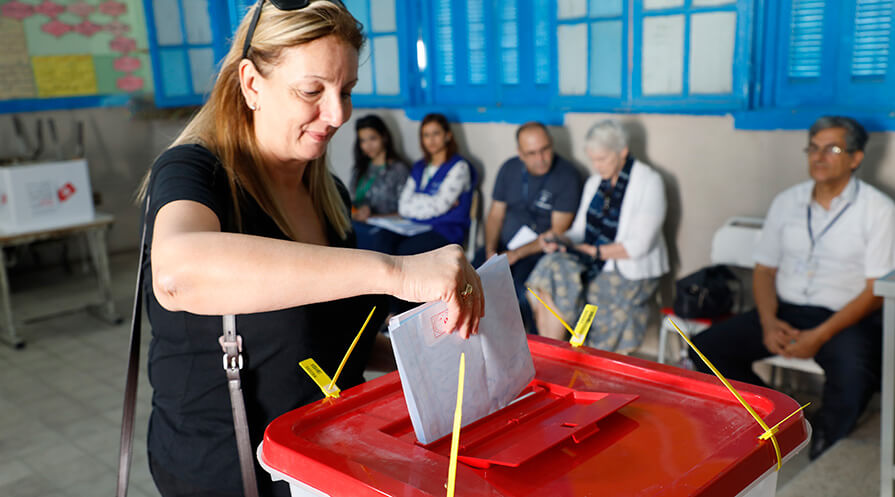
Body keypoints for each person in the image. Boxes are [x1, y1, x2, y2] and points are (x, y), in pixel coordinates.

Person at [138, 2, 484, 496]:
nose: (338, 113)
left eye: (345, 91)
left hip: (321, 462)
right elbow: (178, 274)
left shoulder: (330, 196)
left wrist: (434, 349)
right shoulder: (193, 174)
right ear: (252, 84)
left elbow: (319, 342)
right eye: (311, 91)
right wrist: (396, 272)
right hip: (228, 471)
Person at [689, 116, 895, 461]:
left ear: (856, 158)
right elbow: (765, 270)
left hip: (844, 317)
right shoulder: (788, 202)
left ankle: (827, 438)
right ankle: (782, 415)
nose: (819, 157)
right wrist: (768, 322)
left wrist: (820, 335)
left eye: (831, 149)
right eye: (813, 148)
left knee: (855, 370)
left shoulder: (879, 211)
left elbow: (875, 291)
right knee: (705, 350)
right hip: (784, 309)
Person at [526, 119, 669, 353]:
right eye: (593, 159)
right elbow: (579, 230)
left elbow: (641, 245)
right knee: (551, 266)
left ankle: (562, 356)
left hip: (630, 271)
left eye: (602, 159)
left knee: (591, 304)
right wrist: (560, 239)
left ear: (622, 152)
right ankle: (554, 353)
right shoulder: (595, 183)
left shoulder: (648, 182)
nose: (597, 166)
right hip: (594, 261)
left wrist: (595, 252)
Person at [479, 121, 582, 331]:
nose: (541, 158)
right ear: (520, 153)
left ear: (552, 144)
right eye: (532, 153)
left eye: (545, 150)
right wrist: (491, 250)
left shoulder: (567, 176)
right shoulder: (509, 168)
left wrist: (514, 255)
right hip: (502, 246)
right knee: (471, 276)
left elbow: (556, 232)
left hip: (538, 251)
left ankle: (530, 347)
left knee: (521, 291)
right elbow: (495, 215)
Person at [391, 113, 478, 254]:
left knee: (405, 251)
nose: (431, 140)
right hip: (416, 227)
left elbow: (439, 206)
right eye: (426, 135)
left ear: (447, 135)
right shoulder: (419, 166)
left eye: (436, 133)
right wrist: (429, 201)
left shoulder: (459, 167)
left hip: (447, 230)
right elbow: (403, 206)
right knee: (382, 242)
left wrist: (417, 200)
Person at [349, 114, 410, 250]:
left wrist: (374, 216)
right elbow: (350, 202)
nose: (367, 145)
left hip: (386, 229)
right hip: (359, 224)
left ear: (384, 137)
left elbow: (406, 212)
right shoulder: (360, 168)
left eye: (372, 138)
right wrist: (356, 213)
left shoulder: (399, 170)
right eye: (363, 140)